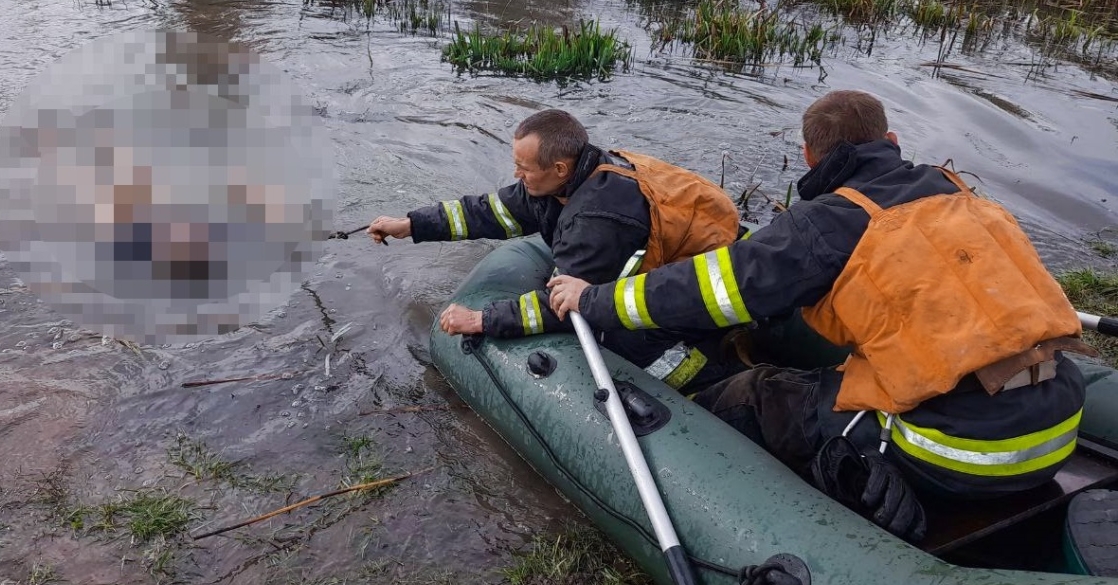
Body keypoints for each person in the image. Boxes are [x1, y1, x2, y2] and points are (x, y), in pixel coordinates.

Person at [546, 90, 1098, 542]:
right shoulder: (964, 196)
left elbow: (706, 290)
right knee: (855, 371)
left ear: (810, 158)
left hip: (959, 457)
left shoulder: (827, 222)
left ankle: (828, 476)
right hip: (1058, 427)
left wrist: (592, 299)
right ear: (892, 142)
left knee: (762, 390)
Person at [368, 108, 746, 394]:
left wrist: (483, 319)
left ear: (560, 168)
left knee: (627, 344)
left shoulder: (596, 221)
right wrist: (412, 225)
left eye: (524, 168)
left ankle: (712, 384)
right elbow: (486, 212)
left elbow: (566, 307)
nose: (517, 174)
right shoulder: (558, 181)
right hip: (673, 253)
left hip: (697, 284)